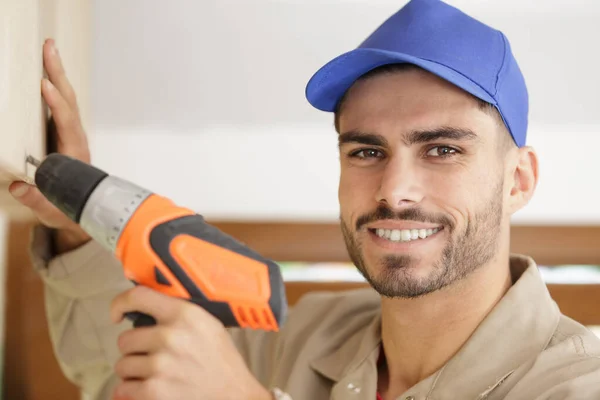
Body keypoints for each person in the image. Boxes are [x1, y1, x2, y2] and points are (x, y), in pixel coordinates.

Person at [9, 0, 600, 399]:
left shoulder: (576, 382)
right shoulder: (306, 331)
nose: (395, 190)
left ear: (519, 179)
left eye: (442, 150)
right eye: (366, 152)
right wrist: (79, 226)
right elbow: (118, 368)